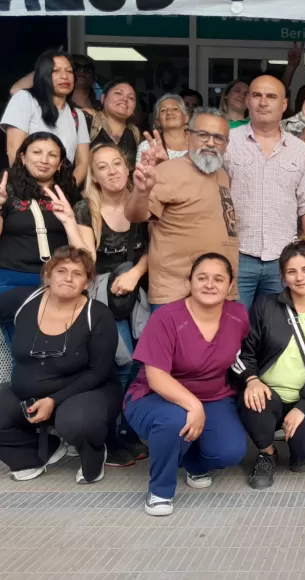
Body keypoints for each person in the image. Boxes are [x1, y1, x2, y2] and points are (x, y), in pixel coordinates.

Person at [124, 253, 249, 516]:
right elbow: (156, 377)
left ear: (229, 285)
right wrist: (193, 405)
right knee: (174, 421)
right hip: (155, 396)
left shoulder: (238, 315)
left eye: (218, 279)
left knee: (230, 452)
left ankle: (191, 459)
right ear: (189, 281)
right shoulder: (167, 317)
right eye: (202, 278)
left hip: (214, 396)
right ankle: (160, 491)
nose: (209, 284)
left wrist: (254, 380)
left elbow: (247, 357)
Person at [0, 246, 122, 484]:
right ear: (48, 276)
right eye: (61, 271)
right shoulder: (24, 300)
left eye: (77, 274)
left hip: (87, 391)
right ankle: (36, 454)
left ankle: (94, 454)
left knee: (77, 422)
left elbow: (98, 372)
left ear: (87, 283)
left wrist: (54, 400)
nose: (68, 278)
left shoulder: (97, 314)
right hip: (27, 393)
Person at [232, 238, 305, 489]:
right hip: (268, 393)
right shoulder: (266, 306)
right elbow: (243, 351)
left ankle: (297, 447)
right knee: (253, 402)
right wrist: (251, 379)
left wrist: (303, 407)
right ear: (283, 277)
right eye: (291, 272)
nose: (300, 277)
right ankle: (267, 453)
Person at [71, 143, 150, 466]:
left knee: (142, 364)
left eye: (116, 163)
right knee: (121, 364)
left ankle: (130, 431)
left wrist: (135, 273)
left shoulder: (142, 200)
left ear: (128, 166)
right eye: (101, 167)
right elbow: (87, 260)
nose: (111, 171)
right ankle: (112, 436)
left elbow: (156, 245)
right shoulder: (85, 209)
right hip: (102, 298)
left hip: (140, 295)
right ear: (94, 175)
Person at [124, 107, 239, 309]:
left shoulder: (221, 174)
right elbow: (135, 215)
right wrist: (141, 191)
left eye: (219, 138)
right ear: (188, 136)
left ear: (226, 145)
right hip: (177, 295)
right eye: (203, 135)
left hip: (218, 291)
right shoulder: (167, 171)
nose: (211, 143)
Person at [223, 75, 305, 310]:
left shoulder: (299, 151)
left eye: (271, 96)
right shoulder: (227, 142)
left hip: (284, 259)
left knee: (278, 330)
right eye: (256, 95)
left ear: (284, 105)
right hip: (237, 255)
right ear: (247, 101)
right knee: (233, 326)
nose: (263, 102)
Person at [0, 133, 80, 300]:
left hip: (59, 280)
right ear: (23, 157)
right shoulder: (7, 188)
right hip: (11, 279)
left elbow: (82, 248)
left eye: (52, 155)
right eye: (37, 152)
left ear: (59, 164)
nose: (44, 160)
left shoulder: (69, 195)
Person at [1, 50, 90, 186]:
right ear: (43, 75)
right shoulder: (25, 99)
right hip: (26, 190)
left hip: (61, 195)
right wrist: (34, 191)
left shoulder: (77, 115)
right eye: (56, 71)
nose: (64, 76)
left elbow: (82, 164)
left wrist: (64, 192)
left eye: (69, 71)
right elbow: (15, 151)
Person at [10, 53, 100, 128]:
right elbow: (15, 91)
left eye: (87, 68)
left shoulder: (101, 106)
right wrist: (45, 70)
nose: (82, 71)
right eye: (76, 67)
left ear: (94, 77)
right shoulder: (55, 105)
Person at [89, 80, 141, 169]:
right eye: (118, 93)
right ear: (103, 98)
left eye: (131, 98)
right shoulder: (88, 120)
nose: (124, 99)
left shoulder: (135, 132)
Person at [136, 94, 189, 165]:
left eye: (175, 109)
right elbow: (141, 174)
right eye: (163, 110)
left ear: (186, 118)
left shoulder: (199, 143)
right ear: (157, 121)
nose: (169, 112)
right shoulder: (147, 146)